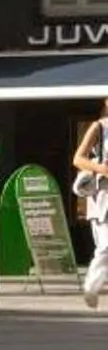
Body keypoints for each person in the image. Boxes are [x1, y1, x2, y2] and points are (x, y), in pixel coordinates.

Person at [74, 108, 108, 307]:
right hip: (103, 195)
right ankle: (91, 287)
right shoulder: (99, 127)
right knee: (106, 246)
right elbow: (78, 158)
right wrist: (101, 168)